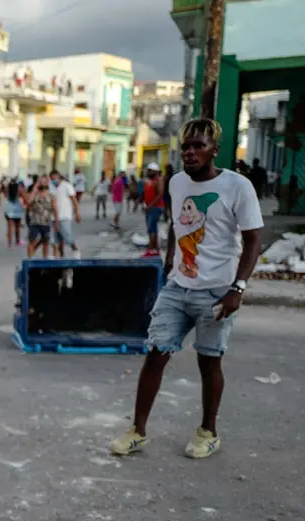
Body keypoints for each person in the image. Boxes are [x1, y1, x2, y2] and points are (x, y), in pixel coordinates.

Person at [109, 118, 263, 460]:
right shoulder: (177, 182)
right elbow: (177, 226)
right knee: (156, 352)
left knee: (209, 361)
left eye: (199, 146)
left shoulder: (238, 187)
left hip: (217, 289)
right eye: (186, 147)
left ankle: (208, 432)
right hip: (179, 286)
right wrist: (168, 262)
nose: (191, 153)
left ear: (214, 150)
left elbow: (253, 239)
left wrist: (237, 288)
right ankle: (138, 430)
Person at [50, 170, 81, 259]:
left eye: (54, 178)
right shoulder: (52, 187)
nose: (53, 180)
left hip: (65, 216)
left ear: (59, 177)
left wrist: (77, 213)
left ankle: (75, 250)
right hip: (54, 217)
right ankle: (60, 255)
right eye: (52, 179)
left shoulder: (67, 186)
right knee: (56, 238)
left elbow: (74, 201)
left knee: (67, 236)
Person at [25, 175, 55, 259]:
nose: (42, 183)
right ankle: (30, 258)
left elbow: (54, 207)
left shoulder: (50, 193)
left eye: (44, 181)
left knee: (46, 241)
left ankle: (45, 259)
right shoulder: (34, 193)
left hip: (46, 221)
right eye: (40, 181)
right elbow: (29, 202)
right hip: (35, 221)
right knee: (32, 240)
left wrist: (56, 221)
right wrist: (35, 189)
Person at [141, 162, 165, 257]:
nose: (148, 172)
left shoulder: (158, 180)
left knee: (152, 229)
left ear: (155, 171)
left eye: (150, 171)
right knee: (150, 229)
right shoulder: (148, 181)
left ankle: (151, 250)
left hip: (155, 208)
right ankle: (155, 248)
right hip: (149, 208)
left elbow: (160, 194)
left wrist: (150, 206)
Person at [3, 179, 24, 247]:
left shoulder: (7, 189)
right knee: (17, 227)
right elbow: (23, 197)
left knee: (9, 227)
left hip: (9, 210)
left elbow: (5, 196)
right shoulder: (19, 190)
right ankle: (17, 241)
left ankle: (9, 243)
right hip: (17, 210)